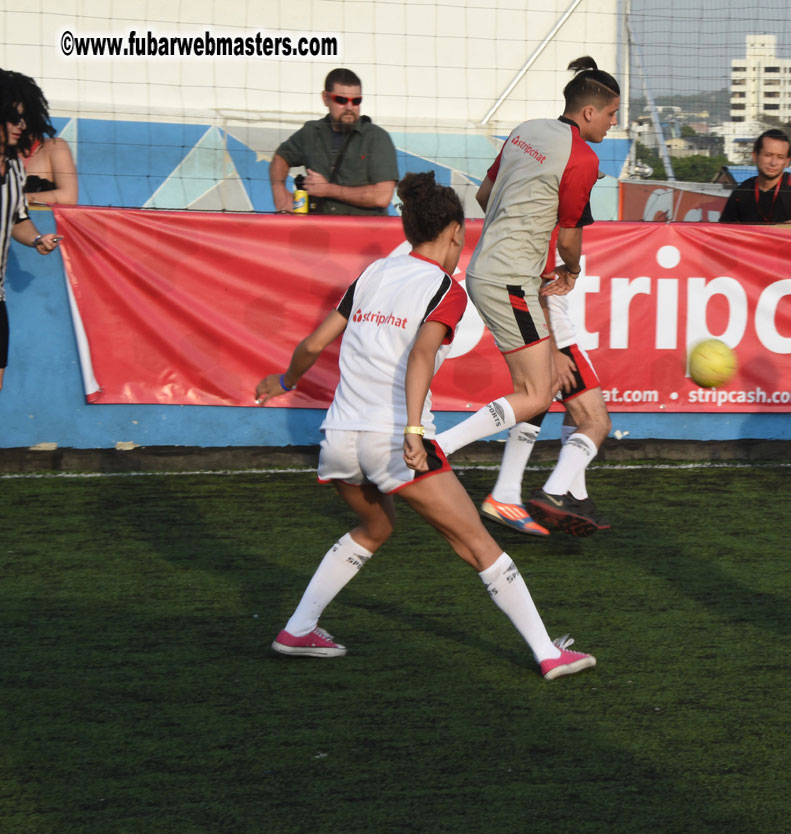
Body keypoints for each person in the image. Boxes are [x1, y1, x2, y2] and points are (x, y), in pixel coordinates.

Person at [254, 171, 595, 681]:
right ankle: (548, 652)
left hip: (339, 438)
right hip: (393, 439)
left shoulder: (372, 274)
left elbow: (312, 344)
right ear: (455, 232)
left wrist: (283, 380)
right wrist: (415, 432)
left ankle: (298, 628)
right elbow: (420, 357)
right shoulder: (444, 288)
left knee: (376, 527)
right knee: (477, 543)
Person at [434, 56, 619, 533]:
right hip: (518, 279)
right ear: (590, 112)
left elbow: (484, 195)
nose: (615, 122)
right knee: (557, 401)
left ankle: (536, 494)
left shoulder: (526, 130)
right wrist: (572, 270)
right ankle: (438, 452)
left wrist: (518, 225)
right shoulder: (581, 158)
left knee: (538, 394)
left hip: (501, 271)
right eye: (613, 113)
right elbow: (569, 239)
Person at [480, 275, 613, 538]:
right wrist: (554, 349)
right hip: (558, 340)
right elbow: (540, 290)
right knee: (597, 422)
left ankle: (575, 495)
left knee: (554, 407)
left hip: (544, 334)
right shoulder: (550, 234)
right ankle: (553, 492)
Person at [1, 70, 64, 393]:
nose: (21, 126)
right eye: (13, 117)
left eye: (25, 118)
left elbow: (17, 220)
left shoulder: (13, 168)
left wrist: (38, 238)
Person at [269, 68, 398, 215]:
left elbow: (382, 196)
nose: (349, 107)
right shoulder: (310, 132)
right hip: (318, 233)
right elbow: (281, 158)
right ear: (326, 98)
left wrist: (328, 189)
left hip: (363, 234)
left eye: (356, 101)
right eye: (341, 100)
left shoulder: (377, 138)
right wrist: (280, 194)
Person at [718, 129, 791, 225]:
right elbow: (724, 230)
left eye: (780, 157)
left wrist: (775, 232)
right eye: (768, 155)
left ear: (787, 162)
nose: (773, 163)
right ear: (755, 156)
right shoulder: (742, 192)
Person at [23, 133, 77, 205]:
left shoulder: (55, 145)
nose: (20, 125)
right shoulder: (5, 151)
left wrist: (22, 198)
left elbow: (68, 197)